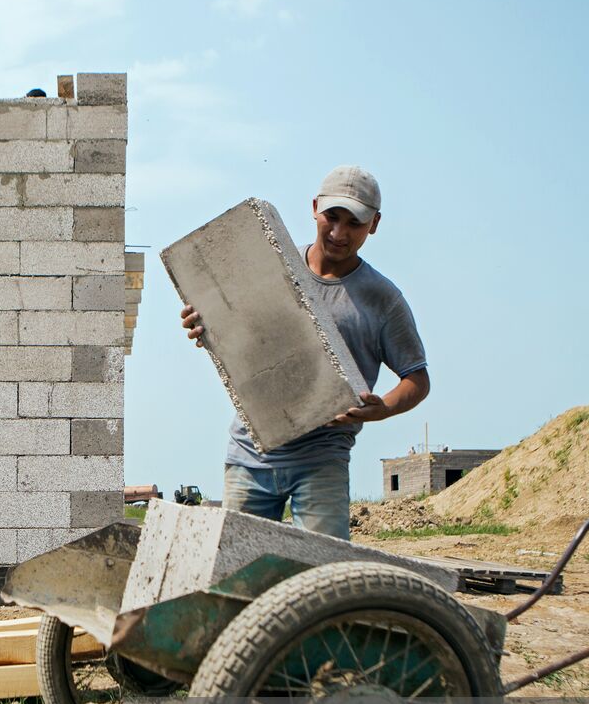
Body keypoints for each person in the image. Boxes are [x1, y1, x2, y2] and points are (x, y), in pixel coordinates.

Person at [179, 166, 430, 539]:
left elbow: (417, 379)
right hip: (250, 454)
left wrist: (385, 408)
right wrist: (206, 329)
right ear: (315, 208)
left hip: (321, 460)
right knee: (236, 578)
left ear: (374, 224)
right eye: (331, 216)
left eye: (355, 223)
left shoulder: (383, 299)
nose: (339, 233)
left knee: (323, 576)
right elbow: (242, 342)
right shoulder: (269, 268)